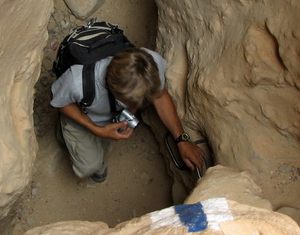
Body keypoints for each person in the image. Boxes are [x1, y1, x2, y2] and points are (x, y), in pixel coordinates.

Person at [51, 46, 205, 182]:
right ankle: (64, 132)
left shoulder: (149, 64)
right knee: (89, 167)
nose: (135, 110)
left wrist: (182, 140)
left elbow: (160, 96)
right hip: (83, 115)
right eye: (132, 104)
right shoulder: (78, 82)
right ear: (113, 90)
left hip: (106, 115)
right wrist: (97, 130)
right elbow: (58, 101)